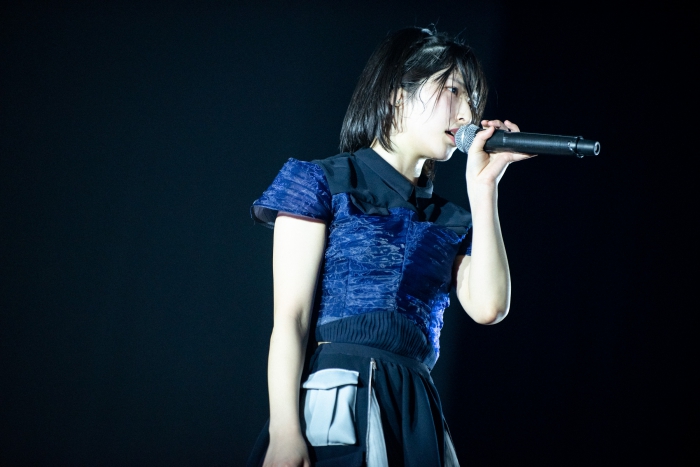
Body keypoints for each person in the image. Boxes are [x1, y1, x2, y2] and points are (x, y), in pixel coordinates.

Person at [248, 27, 533, 467]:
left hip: (415, 409)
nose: (468, 114)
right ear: (398, 95)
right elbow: (291, 319)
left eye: (473, 99)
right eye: (454, 90)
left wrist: (484, 188)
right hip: (339, 394)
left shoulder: (450, 219)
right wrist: (285, 431)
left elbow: (490, 307)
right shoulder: (322, 181)